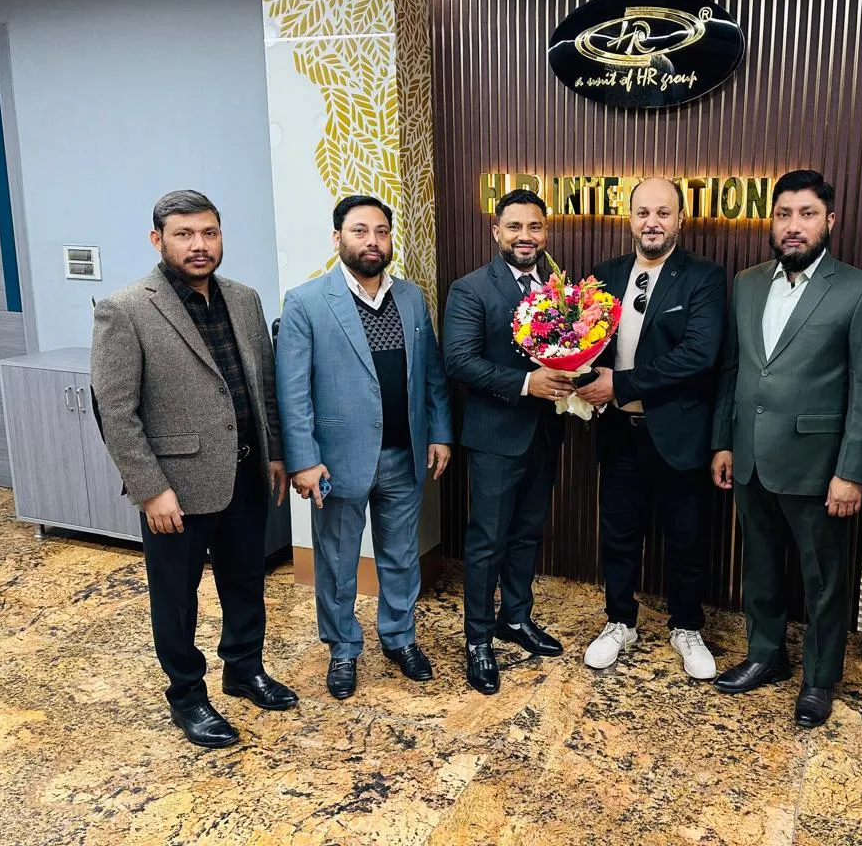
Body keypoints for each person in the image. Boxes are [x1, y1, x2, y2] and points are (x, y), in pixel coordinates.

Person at [91, 189, 296, 749]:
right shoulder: (126, 309)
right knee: (177, 598)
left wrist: (276, 453)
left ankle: (244, 669)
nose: (198, 245)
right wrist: (150, 489)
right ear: (158, 240)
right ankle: (187, 695)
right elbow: (115, 411)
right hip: (175, 488)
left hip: (246, 473)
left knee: (245, 580)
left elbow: (263, 386)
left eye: (209, 232)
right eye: (184, 234)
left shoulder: (245, 299)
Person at [711, 170, 862, 728]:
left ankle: (819, 678)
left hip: (819, 467)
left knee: (824, 579)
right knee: (759, 564)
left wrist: (851, 471)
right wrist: (724, 442)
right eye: (784, 214)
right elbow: (734, 370)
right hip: (750, 456)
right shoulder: (746, 283)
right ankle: (765, 654)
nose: (794, 225)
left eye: (807, 214)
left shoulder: (859, 290)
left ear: (829, 221)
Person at [276, 195, 452, 698]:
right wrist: (304, 460)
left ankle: (399, 638)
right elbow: (293, 390)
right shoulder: (307, 301)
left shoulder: (412, 298)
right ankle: (343, 649)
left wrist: (439, 432)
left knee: (401, 555)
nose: (372, 241)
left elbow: (432, 373)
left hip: (404, 454)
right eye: (359, 231)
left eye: (381, 231)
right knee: (337, 562)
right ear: (338, 238)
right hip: (337, 462)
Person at [575, 177, 727, 678]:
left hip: (679, 434)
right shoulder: (605, 274)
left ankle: (686, 626)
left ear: (680, 219)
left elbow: (698, 355)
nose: (652, 222)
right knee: (618, 534)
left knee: (686, 537)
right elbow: (588, 340)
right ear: (630, 218)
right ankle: (620, 621)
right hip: (620, 432)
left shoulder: (704, 276)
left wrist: (619, 384)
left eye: (663, 213)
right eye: (643, 212)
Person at [441, 188, 571, 695]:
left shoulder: (559, 287)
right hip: (495, 437)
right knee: (487, 541)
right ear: (496, 232)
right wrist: (525, 383)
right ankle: (478, 639)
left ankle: (515, 618)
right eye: (514, 226)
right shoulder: (471, 288)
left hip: (545, 432)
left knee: (528, 533)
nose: (525, 236)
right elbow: (458, 360)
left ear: (545, 232)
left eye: (534, 226)